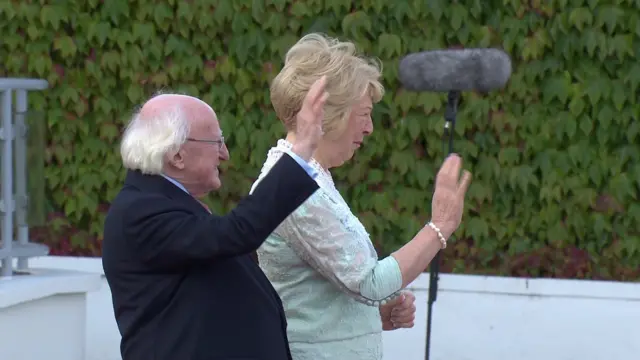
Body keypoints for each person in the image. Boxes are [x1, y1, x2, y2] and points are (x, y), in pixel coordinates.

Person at [250, 33, 472, 360]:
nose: (369, 128)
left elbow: (328, 289)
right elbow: (370, 283)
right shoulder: (295, 187)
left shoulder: (308, 176)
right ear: (329, 112)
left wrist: (370, 317)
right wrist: (440, 226)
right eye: (363, 113)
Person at [101, 77, 329, 360]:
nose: (225, 154)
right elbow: (237, 233)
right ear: (177, 156)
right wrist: (302, 149)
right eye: (216, 141)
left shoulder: (164, 204)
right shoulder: (140, 212)